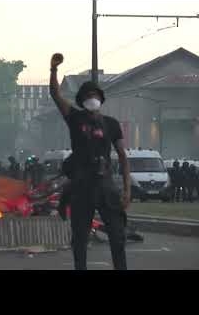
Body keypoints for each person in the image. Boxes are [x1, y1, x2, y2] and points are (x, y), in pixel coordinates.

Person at [49, 53, 131, 271]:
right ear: (82, 100)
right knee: (80, 239)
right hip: (82, 185)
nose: (92, 97)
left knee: (117, 235)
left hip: (106, 185)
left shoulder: (112, 124)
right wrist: (53, 70)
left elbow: (122, 156)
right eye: (88, 95)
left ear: (101, 99)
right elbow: (56, 95)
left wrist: (127, 190)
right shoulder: (75, 118)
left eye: (95, 94)